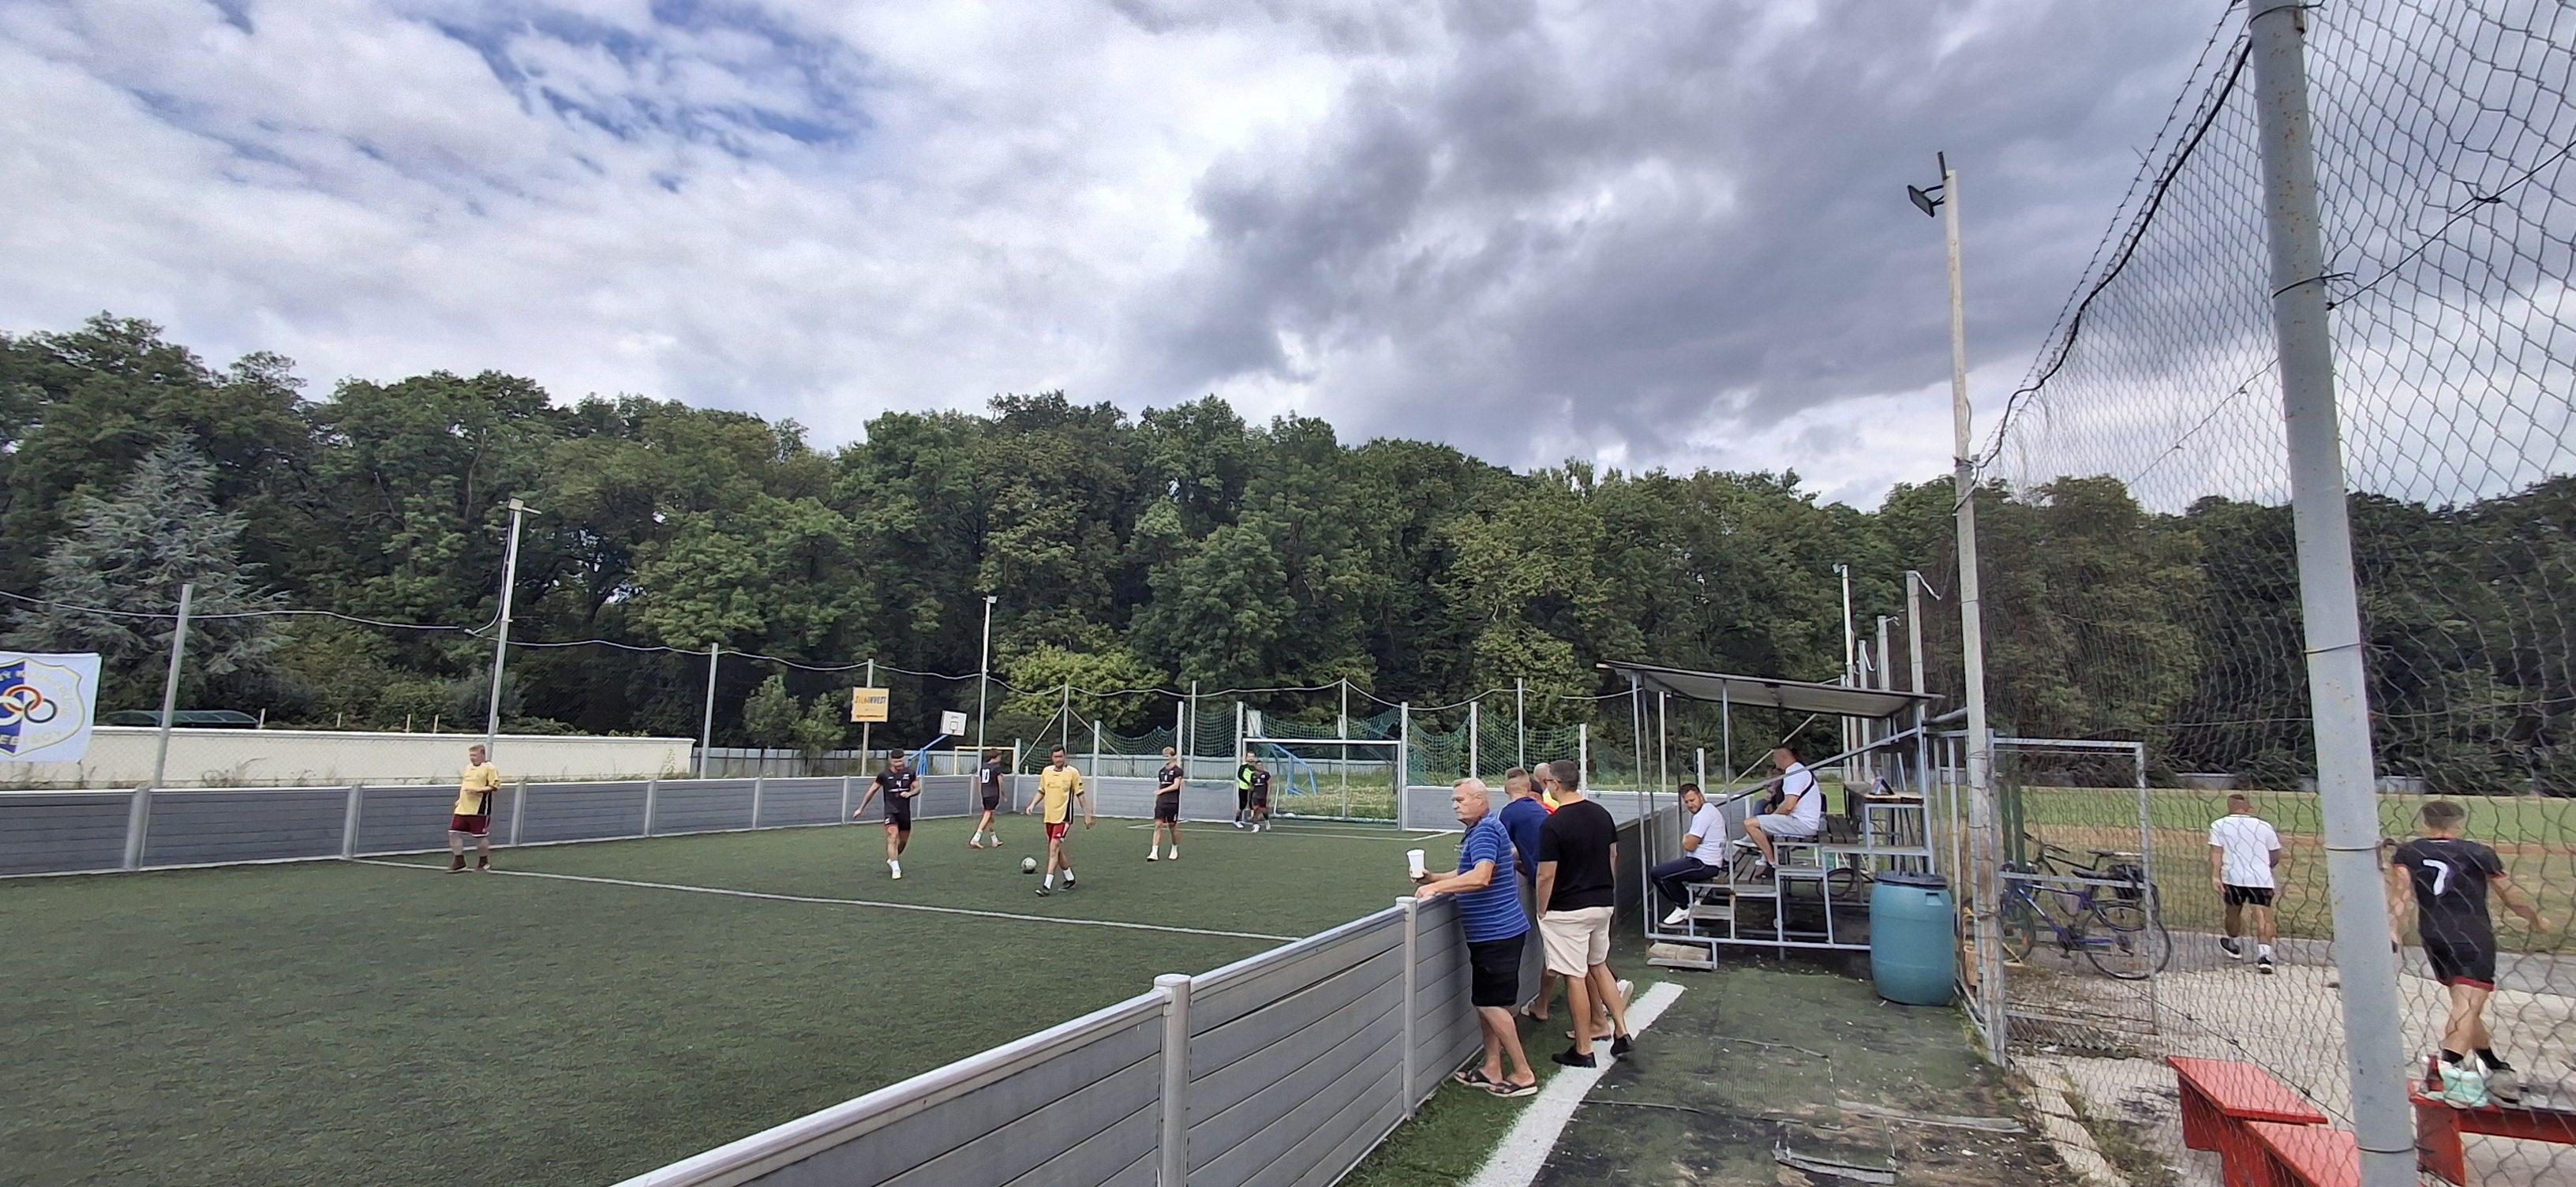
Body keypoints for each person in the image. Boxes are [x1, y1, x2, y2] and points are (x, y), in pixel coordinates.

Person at [2388, 799, 2551, 1106]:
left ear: (2425, 823)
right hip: (2472, 936)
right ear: (2459, 823)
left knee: (2466, 1005)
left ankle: (2493, 1064)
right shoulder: (2478, 852)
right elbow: (2510, 896)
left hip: (2434, 936)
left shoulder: (2409, 852)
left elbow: (2402, 895)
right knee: (2467, 1006)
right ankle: (2445, 1067)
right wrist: (2535, 919)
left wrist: (2394, 929)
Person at [1411, 778, 1537, 1097]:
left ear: (1481, 800)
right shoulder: (1484, 829)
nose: (1456, 805)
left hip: (1497, 933)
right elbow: (1468, 871)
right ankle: (1492, 1067)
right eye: (1454, 801)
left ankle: (1523, 1074)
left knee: (1492, 1004)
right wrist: (1434, 877)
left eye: (1461, 800)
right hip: (1494, 932)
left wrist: (1436, 888)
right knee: (1486, 1003)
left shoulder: (1484, 832)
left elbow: (1481, 877)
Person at [1535, 758, 1634, 1067]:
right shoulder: (1601, 814)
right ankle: (1621, 1030)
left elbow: (1545, 875)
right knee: (1599, 966)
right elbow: (1613, 855)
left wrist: (1541, 909)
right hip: (1601, 903)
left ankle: (1583, 1049)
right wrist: (1606, 890)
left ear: (1555, 784)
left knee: (1574, 976)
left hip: (1568, 909)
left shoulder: (1553, 825)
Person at [2207, 792, 2286, 973]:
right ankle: (2264, 956)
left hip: (2233, 878)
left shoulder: (2219, 825)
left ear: (2229, 807)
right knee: (2264, 916)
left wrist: (2216, 875)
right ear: (2250, 808)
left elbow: (2217, 852)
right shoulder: (2264, 826)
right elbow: (2275, 854)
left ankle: (2233, 942)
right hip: (2261, 878)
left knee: (2233, 913)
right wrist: (2266, 867)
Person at [1653, 784, 1728, 927]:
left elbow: (1689, 845)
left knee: (1658, 874)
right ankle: (1689, 901)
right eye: (1686, 802)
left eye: (1692, 800)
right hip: (1705, 861)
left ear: (1700, 796)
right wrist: (1689, 839)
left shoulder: (1703, 815)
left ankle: (1684, 906)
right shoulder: (1709, 810)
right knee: (1669, 872)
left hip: (1704, 864)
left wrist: (1686, 838)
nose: (1690, 805)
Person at [1024, 747, 1094, 895]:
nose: (1058, 759)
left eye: (1061, 756)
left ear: (1065, 757)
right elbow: (1041, 791)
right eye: (1056, 757)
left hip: (1064, 818)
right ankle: (1070, 878)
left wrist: (1087, 815)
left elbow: (1081, 796)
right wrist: (1032, 805)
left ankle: (1046, 886)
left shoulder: (1073, 773)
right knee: (1055, 849)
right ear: (1052, 758)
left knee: (1054, 848)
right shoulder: (1046, 772)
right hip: (1049, 818)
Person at [1741, 746, 1822, 873]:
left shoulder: (1795, 773)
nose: (1774, 762)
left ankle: (1772, 863)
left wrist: (1771, 817)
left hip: (1802, 824)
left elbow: (1789, 805)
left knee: (1750, 824)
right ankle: (1759, 847)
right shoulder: (1798, 770)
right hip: (1802, 821)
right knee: (1761, 822)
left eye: (1774, 758)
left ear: (1782, 757)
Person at [855, 752, 919, 879]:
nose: (899, 764)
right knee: (892, 836)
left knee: (902, 843)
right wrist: (861, 808)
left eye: (901, 761)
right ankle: (896, 869)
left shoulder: (910, 773)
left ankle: (892, 859)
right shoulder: (884, 775)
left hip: (904, 813)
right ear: (891, 761)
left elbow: (918, 789)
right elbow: (872, 791)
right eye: (896, 762)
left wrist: (910, 793)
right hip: (891, 811)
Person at [448, 743, 501, 873]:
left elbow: (494, 786)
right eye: (471, 755)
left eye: (475, 755)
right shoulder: (468, 768)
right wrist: (460, 799)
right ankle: (459, 861)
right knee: (453, 833)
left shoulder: (490, 768)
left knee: (479, 836)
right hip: (463, 808)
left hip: (479, 809)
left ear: (482, 755)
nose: (472, 758)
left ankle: (484, 862)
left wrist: (478, 790)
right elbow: (465, 785)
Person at [1148, 746, 1185, 861]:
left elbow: (1176, 786)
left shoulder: (1178, 771)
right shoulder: (1162, 771)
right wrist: (1158, 796)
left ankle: (1174, 848)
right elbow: (1160, 785)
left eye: (1167, 756)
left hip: (1172, 802)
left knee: (1172, 827)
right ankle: (1154, 852)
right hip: (1161, 802)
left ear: (1173, 757)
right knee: (1158, 825)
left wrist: (1162, 791)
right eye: (1164, 756)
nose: (1165, 759)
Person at [970, 748, 1007, 849]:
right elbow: (1000, 782)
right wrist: (1003, 794)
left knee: (990, 817)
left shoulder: (984, 767)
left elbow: (980, 782)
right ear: (997, 757)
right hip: (993, 794)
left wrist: (981, 793)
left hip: (985, 793)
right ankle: (976, 838)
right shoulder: (997, 767)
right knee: (988, 815)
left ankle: (994, 840)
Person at [1247, 758, 1275, 831]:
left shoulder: (1266, 774)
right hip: (1255, 795)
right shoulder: (1253, 775)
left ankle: (1267, 821)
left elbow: (1269, 785)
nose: (1260, 767)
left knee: (1264, 810)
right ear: (1256, 766)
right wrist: (1250, 794)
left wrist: (1268, 795)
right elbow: (1251, 786)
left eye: (1261, 765)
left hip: (1263, 795)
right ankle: (1256, 825)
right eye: (1258, 765)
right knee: (1256, 809)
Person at [1234, 751, 1257, 829]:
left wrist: (1254, 784)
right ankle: (1237, 820)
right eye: (1249, 757)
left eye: (1252, 757)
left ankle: (1255, 822)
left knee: (1253, 805)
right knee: (1243, 804)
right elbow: (1240, 776)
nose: (1251, 758)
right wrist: (1248, 783)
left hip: (1253, 788)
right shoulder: (1243, 766)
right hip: (1243, 788)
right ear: (1247, 758)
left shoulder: (1255, 767)